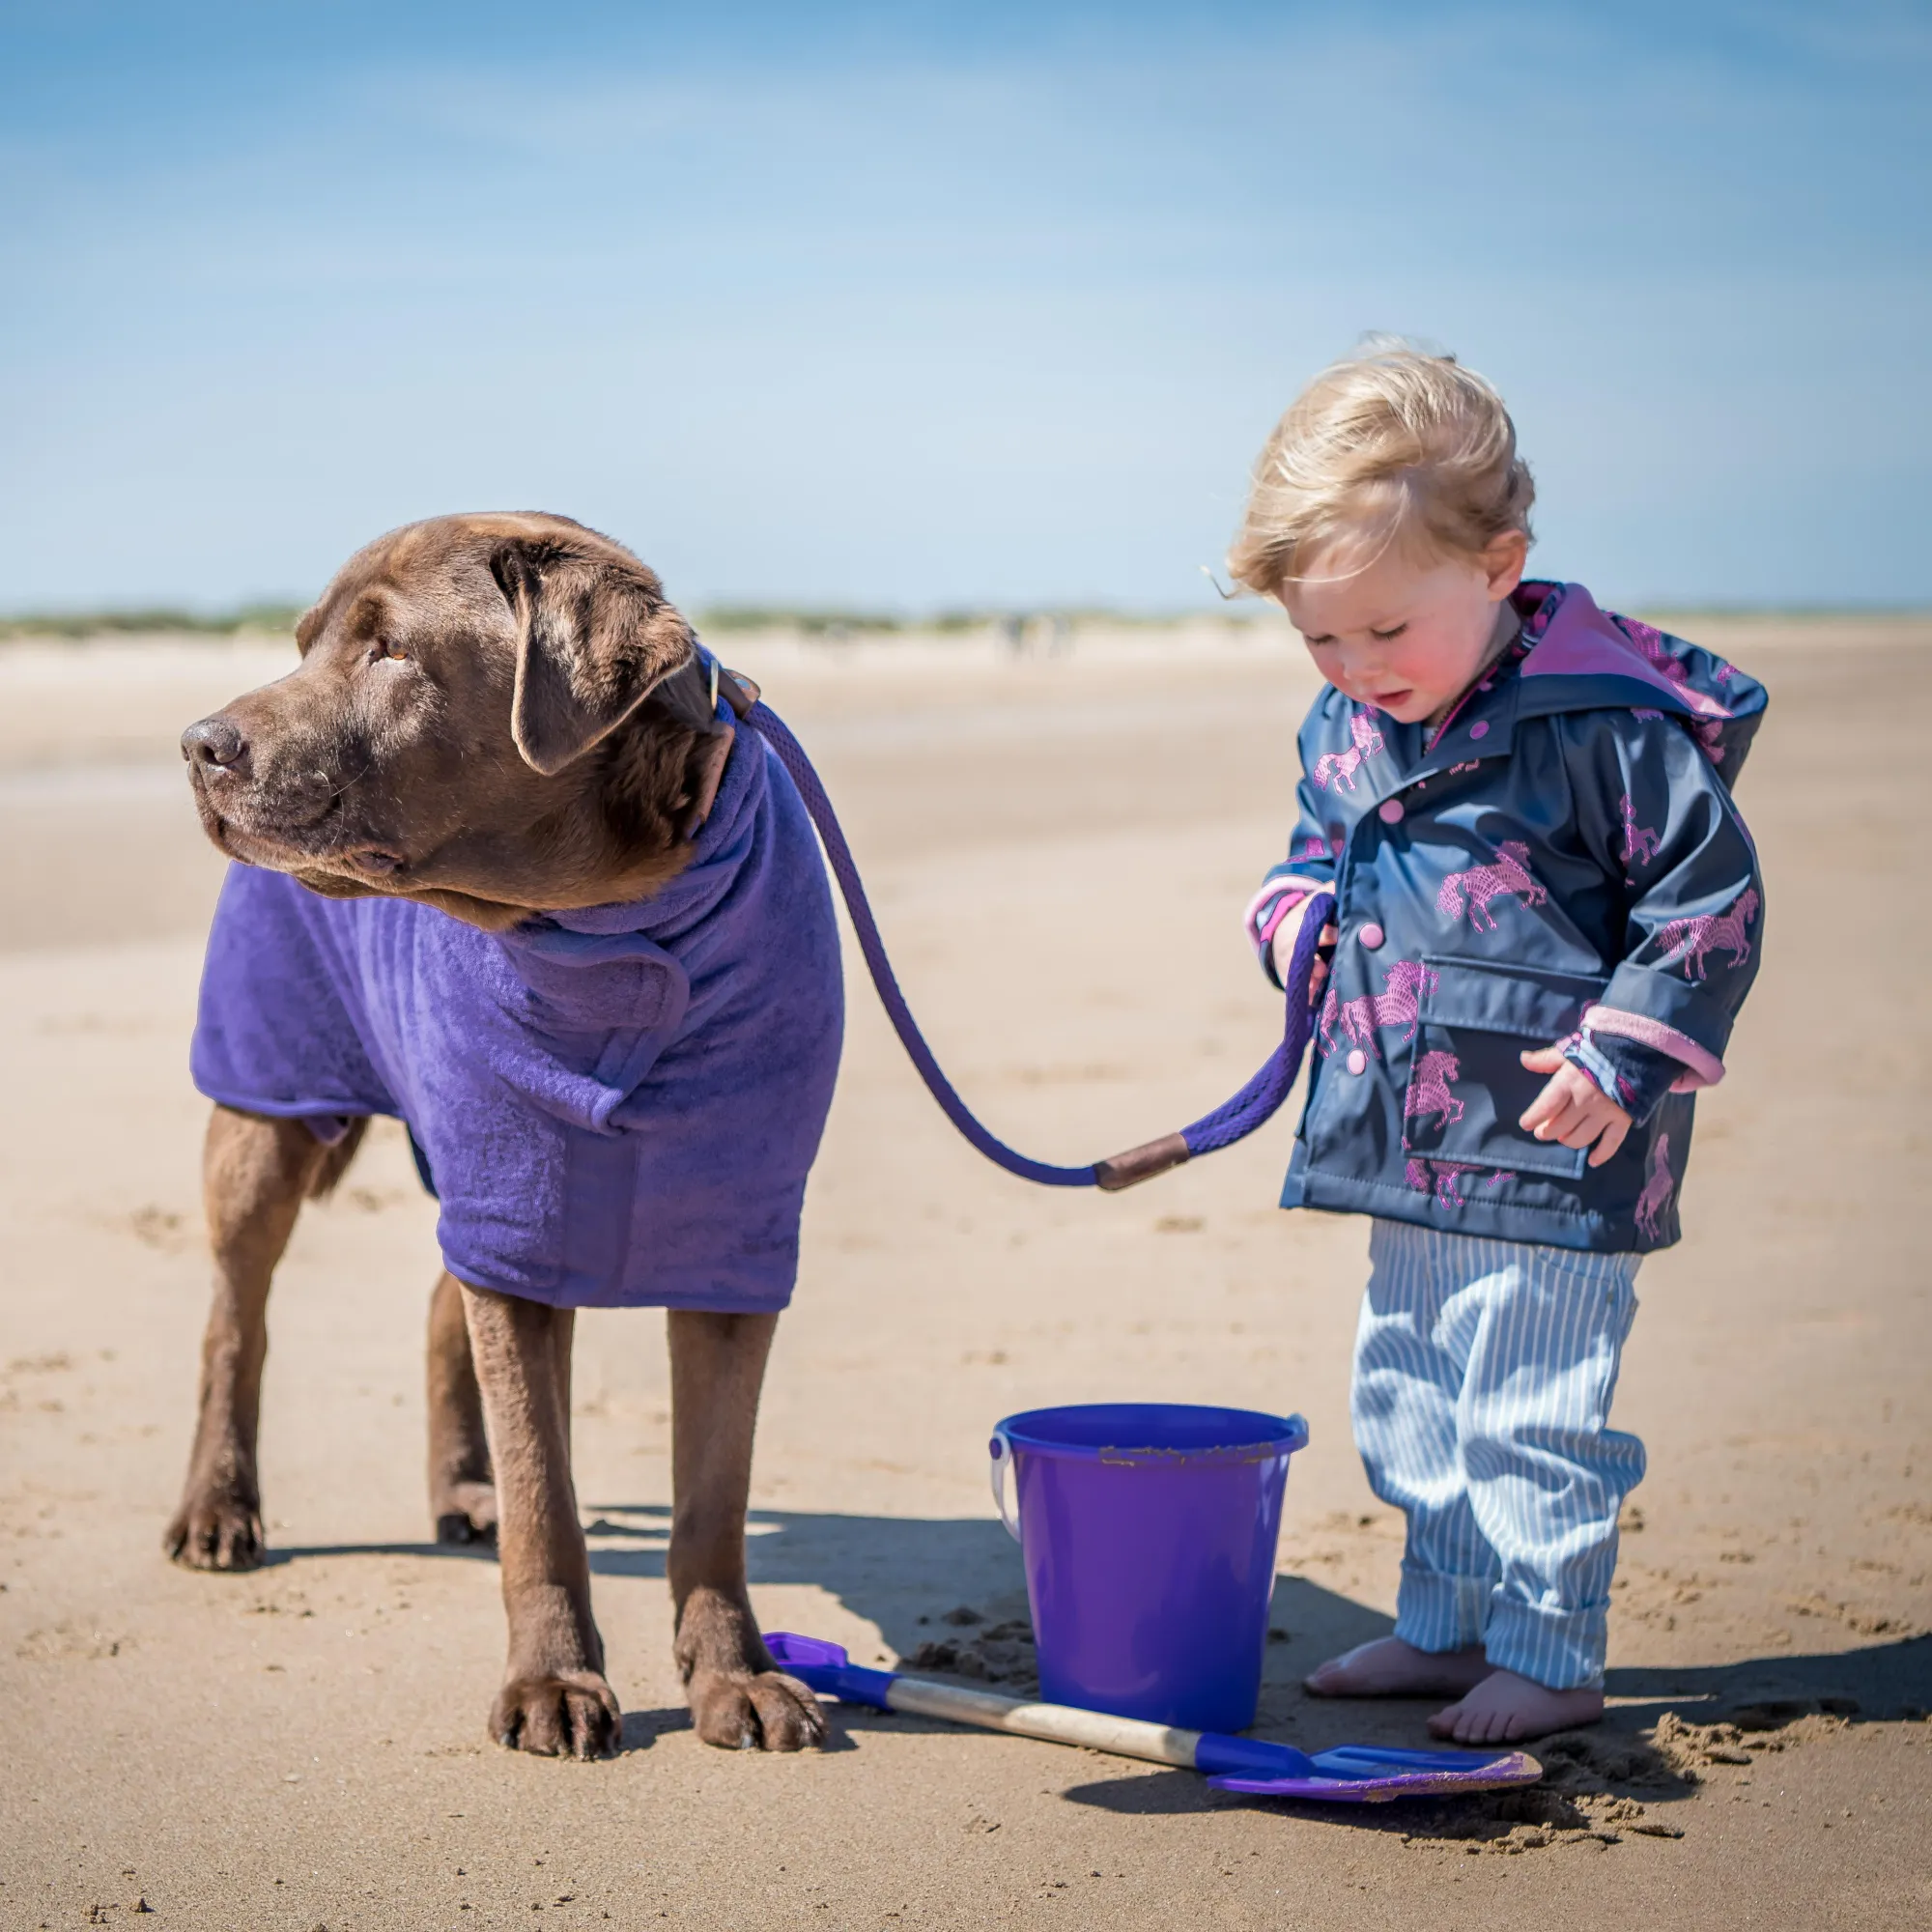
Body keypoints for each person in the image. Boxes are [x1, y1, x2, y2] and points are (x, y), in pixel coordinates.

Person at [1228, 342, 1766, 1743]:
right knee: (1410, 1393)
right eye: (1319, 640)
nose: (1352, 668)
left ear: (1499, 562)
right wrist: (1295, 926)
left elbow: (1707, 901)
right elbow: (1315, 854)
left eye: (1385, 632)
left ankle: (1551, 1647)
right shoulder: (1351, 723)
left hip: (1555, 1137)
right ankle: (1445, 1625)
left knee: (1531, 1408)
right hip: (1404, 1129)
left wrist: (1621, 1058)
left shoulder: (1606, 729)